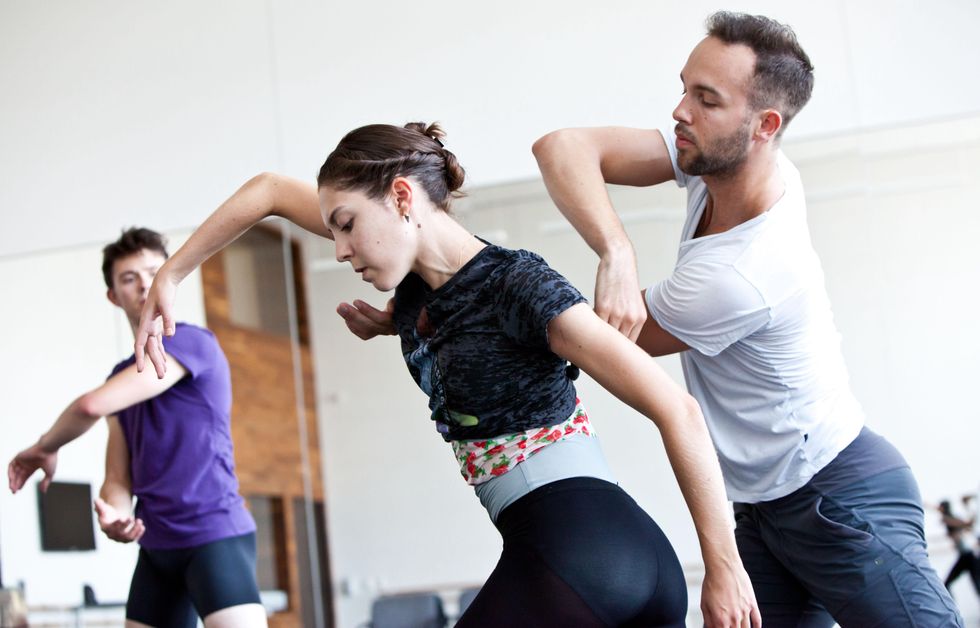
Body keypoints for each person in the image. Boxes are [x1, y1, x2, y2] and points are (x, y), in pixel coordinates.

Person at [135, 122, 760, 627]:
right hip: (602, 560)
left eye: (346, 225)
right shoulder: (417, 286)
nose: (340, 249)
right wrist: (172, 273)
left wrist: (725, 567)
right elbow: (269, 191)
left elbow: (676, 409)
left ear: (402, 197)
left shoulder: (518, 283)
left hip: (582, 553)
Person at [531, 10, 961, 628]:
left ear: (765, 125)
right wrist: (616, 250)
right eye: (684, 88)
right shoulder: (728, 165)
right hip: (761, 506)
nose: (680, 111)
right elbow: (560, 147)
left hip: (838, 496)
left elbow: (600, 340)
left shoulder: (741, 274)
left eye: (706, 100)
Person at [7, 228, 265, 628]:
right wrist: (117, 515)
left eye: (154, 272)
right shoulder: (118, 379)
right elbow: (118, 476)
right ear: (114, 296)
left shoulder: (194, 344)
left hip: (214, 536)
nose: (146, 285)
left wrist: (45, 446)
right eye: (130, 278)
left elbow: (90, 406)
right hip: (156, 548)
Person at [937, 500, 980, 597]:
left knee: (977, 585)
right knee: (947, 584)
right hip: (965, 556)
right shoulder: (949, 519)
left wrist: (968, 507)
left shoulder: (949, 519)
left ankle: (950, 606)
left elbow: (967, 524)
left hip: (968, 556)